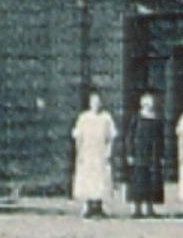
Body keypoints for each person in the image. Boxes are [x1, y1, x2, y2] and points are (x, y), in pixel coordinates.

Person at [71, 90, 117, 218]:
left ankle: (98, 206)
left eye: (98, 102)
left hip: (100, 152)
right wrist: (79, 152)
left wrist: (109, 151)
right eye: (93, 102)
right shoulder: (84, 118)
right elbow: (78, 137)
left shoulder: (106, 118)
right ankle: (88, 206)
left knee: (100, 179)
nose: (96, 104)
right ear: (90, 103)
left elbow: (111, 137)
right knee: (88, 178)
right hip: (87, 152)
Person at [125, 92, 165, 218]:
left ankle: (149, 208)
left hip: (153, 154)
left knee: (152, 181)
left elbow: (161, 138)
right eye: (146, 102)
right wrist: (130, 153)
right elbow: (130, 137)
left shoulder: (157, 119)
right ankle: (137, 209)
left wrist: (162, 154)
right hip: (139, 153)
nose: (148, 104)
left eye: (151, 102)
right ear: (142, 103)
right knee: (138, 181)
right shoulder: (136, 118)